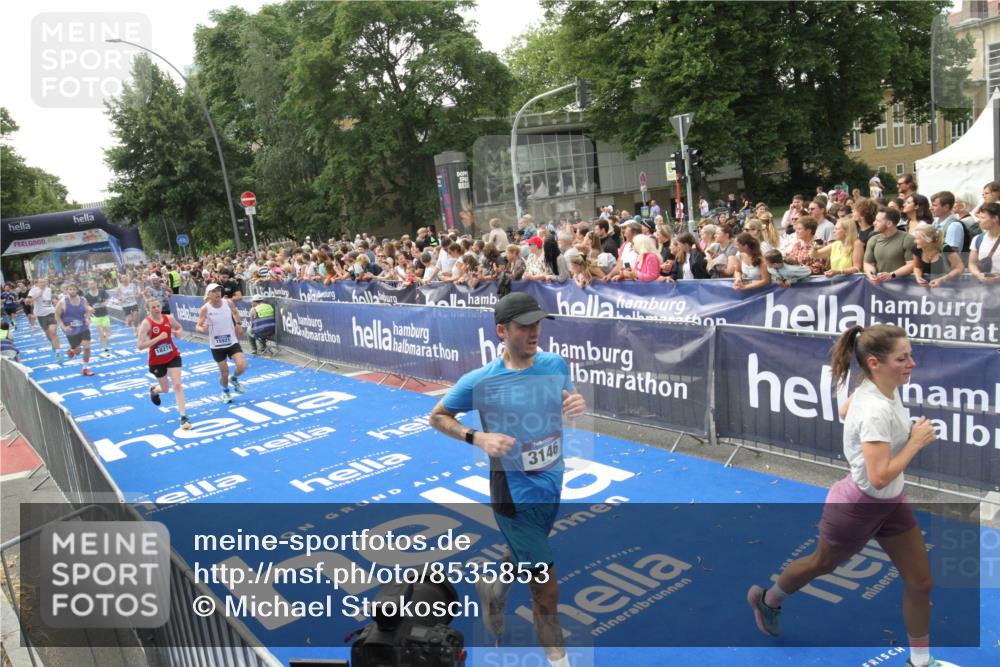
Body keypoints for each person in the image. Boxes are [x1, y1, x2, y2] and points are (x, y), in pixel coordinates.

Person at [747, 324, 940, 667]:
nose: (913, 363)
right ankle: (768, 599)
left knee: (921, 582)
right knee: (822, 563)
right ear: (874, 362)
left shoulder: (881, 386)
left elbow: (845, 410)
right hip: (858, 506)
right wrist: (914, 442)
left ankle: (919, 662)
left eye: (910, 354)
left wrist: (891, 438)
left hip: (891, 504)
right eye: (903, 358)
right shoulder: (874, 409)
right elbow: (879, 477)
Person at [429, 292, 587, 667]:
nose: (534, 331)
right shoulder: (480, 381)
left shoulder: (554, 363)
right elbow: (437, 416)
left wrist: (576, 402)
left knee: (526, 552)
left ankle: (494, 587)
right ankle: (558, 662)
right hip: (512, 494)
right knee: (546, 593)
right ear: (502, 331)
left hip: (551, 481)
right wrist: (477, 437)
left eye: (537, 324)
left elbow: (568, 399)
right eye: (524, 325)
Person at [137, 296, 191, 430]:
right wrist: (159, 338)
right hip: (156, 361)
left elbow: (179, 328)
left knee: (177, 384)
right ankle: (155, 390)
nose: (156, 309)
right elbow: (140, 346)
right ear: (148, 309)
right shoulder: (146, 323)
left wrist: (178, 333)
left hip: (173, 355)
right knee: (166, 389)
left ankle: (183, 417)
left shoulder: (169, 318)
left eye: (158, 306)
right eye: (153, 307)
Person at [196, 283, 247, 404]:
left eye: (218, 290)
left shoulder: (227, 302)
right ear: (208, 295)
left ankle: (233, 379)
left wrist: (239, 325)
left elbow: (235, 312)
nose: (217, 293)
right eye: (213, 291)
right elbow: (198, 325)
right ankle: (225, 391)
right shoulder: (205, 308)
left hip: (232, 342)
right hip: (217, 346)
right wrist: (202, 329)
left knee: (242, 366)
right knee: (224, 373)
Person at [864, 207, 915, 285]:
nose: (874, 223)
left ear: (889, 224)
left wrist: (892, 275)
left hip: (903, 287)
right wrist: (871, 275)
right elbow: (868, 263)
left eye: (878, 221)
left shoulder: (907, 239)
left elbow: (912, 264)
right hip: (881, 287)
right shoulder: (873, 240)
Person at [54, 282, 94, 376]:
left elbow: (87, 310)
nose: (72, 291)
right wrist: (63, 327)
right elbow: (57, 316)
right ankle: (72, 350)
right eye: (70, 289)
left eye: (74, 289)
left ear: (77, 290)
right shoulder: (62, 302)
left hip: (83, 327)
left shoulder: (83, 299)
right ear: (67, 290)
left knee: (87, 347)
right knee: (78, 351)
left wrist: (88, 318)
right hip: (71, 330)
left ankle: (85, 368)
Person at [911, 223, 964, 288]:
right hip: (927, 288)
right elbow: (917, 267)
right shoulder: (916, 249)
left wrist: (942, 279)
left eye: (917, 239)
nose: (915, 241)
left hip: (949, 287)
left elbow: (959, 267)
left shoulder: (945, 249)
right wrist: (918, 277)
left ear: (929, 239)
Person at [27, 277, 61, 361]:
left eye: (45, 282)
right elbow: (27, 301)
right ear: (37, 283)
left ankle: (58, 353)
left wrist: (56, 303)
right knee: (48, 335)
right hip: (40, 316)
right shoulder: (33, 290)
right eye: (41, 282)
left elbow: (48, 300)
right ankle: (53, 343)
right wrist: (37, 296)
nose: (43, 284)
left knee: (53, 332)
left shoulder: (49, 289)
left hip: (51, 313)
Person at [970, 201, 1000, 284]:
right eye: (979, 217)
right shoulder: (977, 239)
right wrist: (978, 274)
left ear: (995, 219)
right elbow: (972, 263)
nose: (979, 221)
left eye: (982, 218)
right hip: (984, 290)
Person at [84, 278, 112, 357]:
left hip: (104, 314)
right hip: (95, 316)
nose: (92, 285)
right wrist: (89, 309)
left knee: (107, 333)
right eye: (90, 284)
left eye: (93, 283)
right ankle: (106, 349)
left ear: (96, 284)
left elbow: (107, 300)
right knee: (101, 332)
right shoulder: (87, 295)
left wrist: (104, 304)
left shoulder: (102, 291)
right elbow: (86, 305)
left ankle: (106, 338)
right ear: (88, 285)